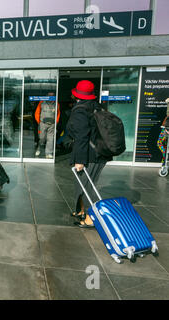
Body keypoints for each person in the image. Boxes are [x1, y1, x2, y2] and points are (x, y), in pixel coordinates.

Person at [66, 80, 112, 228]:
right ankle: (80, 211)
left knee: (87, 186)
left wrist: (79, 160)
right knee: (82, 183)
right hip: (97, 152)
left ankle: (91, 218)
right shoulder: (96, 106)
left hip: (90, 155)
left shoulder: (81, 110)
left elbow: (82, 136)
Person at [34, 92, 60, 158]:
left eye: (52, 95)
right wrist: (39, 122)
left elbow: (58, 114)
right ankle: (39, 148)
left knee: (50, 139)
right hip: (43, 123)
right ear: (47, 95)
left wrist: (56, 122)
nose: (51, 96)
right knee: (42, 138)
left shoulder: (56, 103)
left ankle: (48, 153)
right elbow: (37, 112)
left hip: (52, 124)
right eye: (49, 95)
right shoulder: (42, 102)